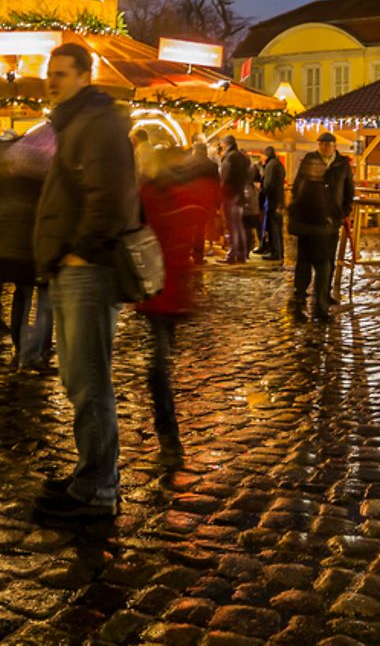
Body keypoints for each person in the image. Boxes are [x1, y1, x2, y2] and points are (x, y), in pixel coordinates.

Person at [32, 42, 139, 521]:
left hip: (88, 270)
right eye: (49, 72)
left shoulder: (98, 123)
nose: (51, 81)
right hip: (73, 268)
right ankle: (90, 474)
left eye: (61, 73)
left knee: (89, 379)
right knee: (78, 378)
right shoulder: (76, 122)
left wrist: (80, 251)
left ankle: (97, 486)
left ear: (84, 77)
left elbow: (108, 200)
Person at [138, 146, 218, 466]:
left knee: (158, 366)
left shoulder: (151, 194)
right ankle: (168, 432)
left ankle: (168, 433)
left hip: (159, 291)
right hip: (168, 292)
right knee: (160, 361)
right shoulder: (183, 193)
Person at [288, 133, 353, 322]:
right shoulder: (309, 160)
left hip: (329, 221)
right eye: (322, 143)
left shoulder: (342, 164)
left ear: (334, 146)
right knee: (305, 260)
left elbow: (348, 189)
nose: (324, 147)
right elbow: (297, 187)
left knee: (326, 262)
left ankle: (321, 301)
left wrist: (342, 212)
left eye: (328, 144)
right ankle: (301, 297)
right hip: (308, 220)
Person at [0, 131, 50, 373]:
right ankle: (36, 350)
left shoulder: (7, 182)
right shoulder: (41, 186)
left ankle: (21, 346)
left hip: (11, 252)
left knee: (22, 297)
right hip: (33, 252)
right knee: (43, 302)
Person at [218, 135, 250, 263]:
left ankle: (232, 254)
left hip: (230, 194)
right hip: (240, 194)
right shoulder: (242, 157)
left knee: (231, 226)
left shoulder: (230, 157)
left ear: (226, 144)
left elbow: (224, 177)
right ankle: (242, 254)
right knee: (239, 225)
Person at [256, 145, 285, 262]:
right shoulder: (277, 164)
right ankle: (276, 251)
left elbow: (268, 185)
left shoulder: (271, 166)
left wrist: (261, 189)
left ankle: (276, 252)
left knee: (274, 227)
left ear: (266, 155)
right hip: (278, 200)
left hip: (273, 200)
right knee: (276, 227)